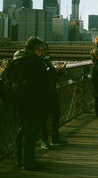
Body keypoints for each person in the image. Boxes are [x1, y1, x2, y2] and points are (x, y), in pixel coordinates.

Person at [14, 37, 47, 171]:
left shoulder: (17, 59)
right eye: (41, 50)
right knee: (30, 132)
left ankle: (19, 159)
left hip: (19, 100)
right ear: (35, 49)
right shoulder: (35, 62)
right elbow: (42, 82)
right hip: (33, 101)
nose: (42, 52)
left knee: (21, 130)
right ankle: (28, 162)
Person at [40, 43, 67, 149]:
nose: (46, 51)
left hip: (50, 91)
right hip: (43, 92)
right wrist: (56, 71)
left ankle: (54, 138)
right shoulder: (38, 61)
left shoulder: (46, 59)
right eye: (44, 49)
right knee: (44, 116)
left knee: (56, 114)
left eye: (46, 49)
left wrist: (58, 71)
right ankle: (45, 140)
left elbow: (50, 74)